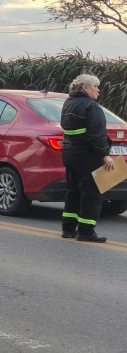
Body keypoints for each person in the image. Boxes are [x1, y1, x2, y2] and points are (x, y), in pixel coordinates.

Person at [60, 74, 114, 242]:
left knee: (73, 191)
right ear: (85, 87)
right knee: (91, 193)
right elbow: (96, 136)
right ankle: (86, 231)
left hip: (70, 153)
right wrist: (105, 155)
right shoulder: (92, 106)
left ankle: (68, 229)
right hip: (87, 155)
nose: (98, 90)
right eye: (95, 86)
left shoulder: (68, 103)